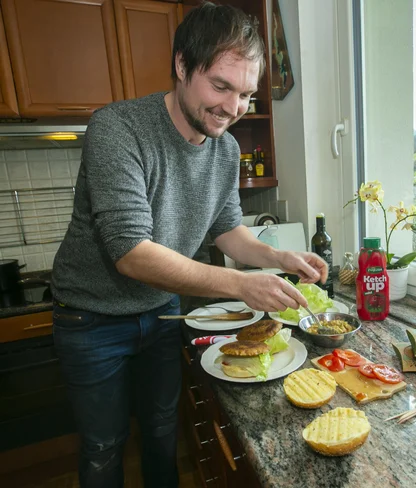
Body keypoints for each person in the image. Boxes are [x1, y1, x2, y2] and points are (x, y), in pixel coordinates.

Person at [50, 3, 326, 487]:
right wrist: (241, 285)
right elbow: (132, 251)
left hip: (161, 313)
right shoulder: (117, 129)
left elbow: (227, 230)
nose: (233, 108)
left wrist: (280, 257)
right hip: (89, 318)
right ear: (181, 65)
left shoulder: (226, 148)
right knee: (103, 446)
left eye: (245, 93)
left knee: (161, 431)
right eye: (220, 86)